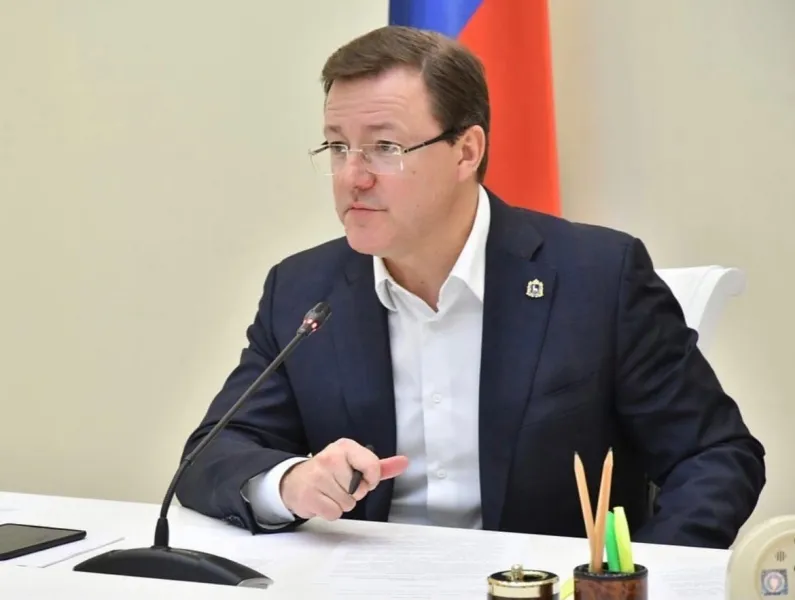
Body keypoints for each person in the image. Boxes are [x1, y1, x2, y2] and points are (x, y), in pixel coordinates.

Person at [174, 25, 765, 549]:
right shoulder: (302, 289)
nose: (353, 175)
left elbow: (715, 456)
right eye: (337, 146)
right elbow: (211, 455)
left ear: (466, 151)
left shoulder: (598, 277)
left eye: (384, 147)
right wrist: (289, 483)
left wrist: (634, 581)